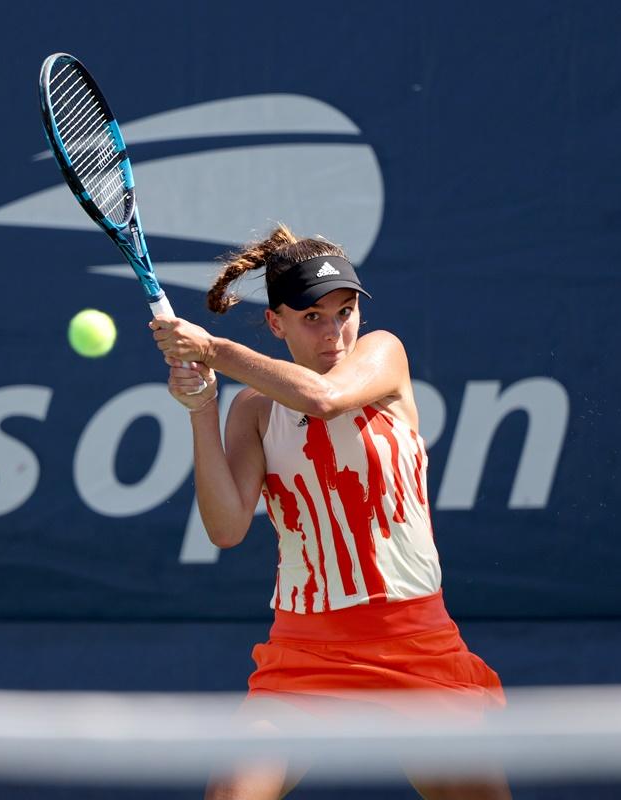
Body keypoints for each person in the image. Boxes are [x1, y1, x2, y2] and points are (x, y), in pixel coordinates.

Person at [150, 224, 510, 800]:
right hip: (304, 655)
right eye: (311, 317)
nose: (335, 332)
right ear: (277, 323)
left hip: (418, 647)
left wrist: (214, 348)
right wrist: (201, 406)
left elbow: (323, 398)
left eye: (344, 311)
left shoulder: (382, 355)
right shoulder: (253, 411)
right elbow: (226, 527)